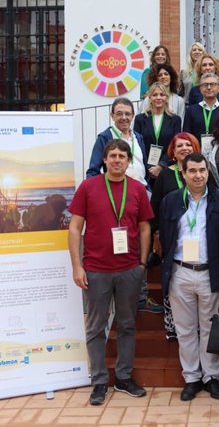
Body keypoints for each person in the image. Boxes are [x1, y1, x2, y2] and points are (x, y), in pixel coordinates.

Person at [68, 139, 152, 406]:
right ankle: (99, 381)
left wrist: (141, 263)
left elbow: (145, 228)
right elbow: (74, 228)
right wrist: (77, 266)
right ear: (104, 160)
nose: (117, 160)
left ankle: (124, 378)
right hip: (96, 270)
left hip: (129, 270)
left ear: (129, 162)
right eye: (112, 156)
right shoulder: (88, 187)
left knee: (127, 325)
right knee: (96, 326)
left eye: (122, 156)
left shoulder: (138, 189)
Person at [158, 153, 219, 401]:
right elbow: (165, 236)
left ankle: (211, 377)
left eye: (202, 170)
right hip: (180, 271)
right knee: (186, 329)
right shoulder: (171, 201)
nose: (198, 175)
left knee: (210, 327)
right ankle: (192, 377)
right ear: (183, 173)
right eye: (193, 171)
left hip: (209, 272)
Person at [150, 132, 202, 341]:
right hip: (172, 239)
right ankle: (174, 327)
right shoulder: (165, 175)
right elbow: (155, 206)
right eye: (179, 145)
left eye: (188, 145)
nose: (184, 149)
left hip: (199, 239)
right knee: (173, 280)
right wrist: (156, 232)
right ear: (173, 151)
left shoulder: (201, 172)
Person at [86, 97, 149, 191]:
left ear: (133, 116)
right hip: (116, 192)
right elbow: (93, 171)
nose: (124, 118)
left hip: (142, 190)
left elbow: (144, 166)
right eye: (119, 114)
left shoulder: (138, 137)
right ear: (112, 115)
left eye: (127, 114)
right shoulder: (104, 138)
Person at [133, 82, 182, 182]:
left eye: (162, 94)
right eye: (154, 95)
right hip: (144, 168)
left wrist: (161, 165)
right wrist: (148, 166)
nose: (158, 97)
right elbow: (137, 144)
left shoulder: (175, 119)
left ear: (167, 98)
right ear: (149, 98)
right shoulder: (140, 119)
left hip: (167, 168)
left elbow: (175, 145)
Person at [183, 73, 219, 146]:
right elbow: (187, 135)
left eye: (212, 84)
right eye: (205, 85)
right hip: (196, 153)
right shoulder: (191, 110)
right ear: (200, 89)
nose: (208, 87)